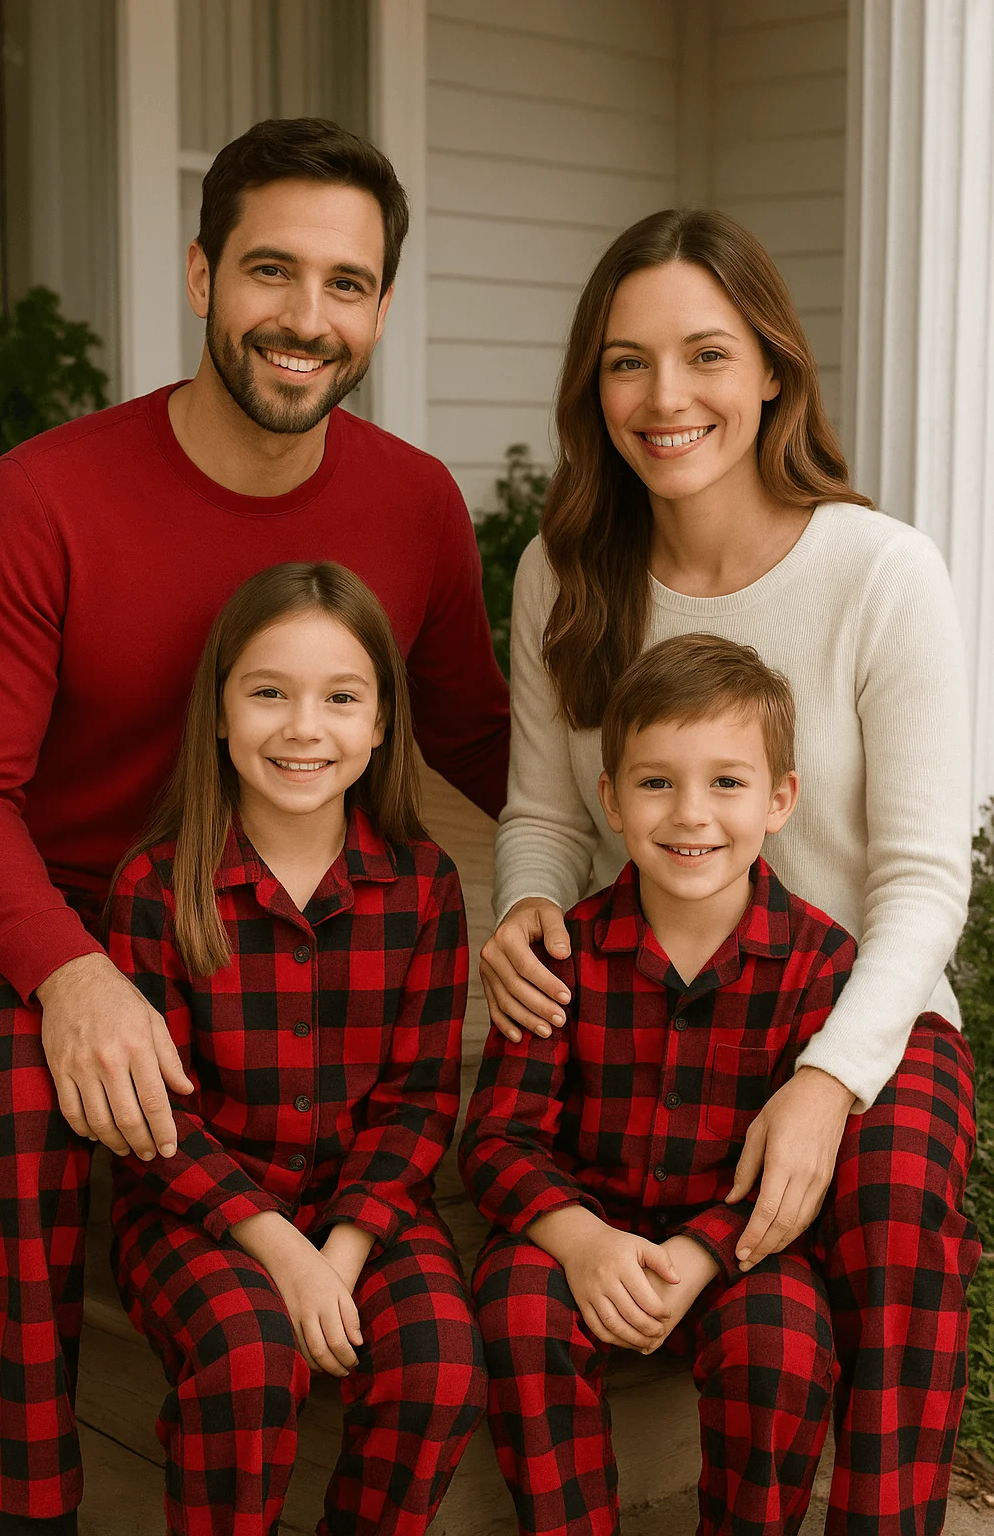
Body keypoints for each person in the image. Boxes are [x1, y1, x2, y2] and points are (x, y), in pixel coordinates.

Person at [0, 118, 506, 1534]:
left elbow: (478, 735)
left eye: (347, 284)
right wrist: (71, 974)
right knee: (12, 1120)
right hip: (79, 916)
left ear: (381, 309)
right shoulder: (44, 497)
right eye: (273, 271)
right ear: (204, 275)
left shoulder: (414, 504)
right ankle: (26, 1502)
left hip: (285, 933)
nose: (306, 318)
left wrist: (648, 874)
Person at [478, 208, 979, 1532]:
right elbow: (541, 812)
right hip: (652, 996)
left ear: (771, 369)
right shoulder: (567, 574)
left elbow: (926, 885)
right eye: (626, 362)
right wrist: (528, 905)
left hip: (861, 1009)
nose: (665, 397)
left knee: (886, 1211)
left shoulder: (884, 572)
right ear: (596, 385)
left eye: (705, 354)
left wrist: (827, 1082)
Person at [105, 560, 485, 1536]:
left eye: (340, 697)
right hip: (200, 1214)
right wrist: (283, 1252)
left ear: (381, 724)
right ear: (221, 715)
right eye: (268, 692)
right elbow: (158, 1125)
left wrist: (344, 1249)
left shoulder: (425, 886)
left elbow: (419, 1102)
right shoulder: (158, 887)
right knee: (247, 1358)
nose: (303, 726)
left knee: (439, 1361)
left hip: (370, 1207)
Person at [463, 634, 861, 1535]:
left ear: (780, 800)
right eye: (655, 783)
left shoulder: (819, 963)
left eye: (727, 782)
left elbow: (805, 1170)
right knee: (517, 1305)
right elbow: (495, 1140)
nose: (691, 815)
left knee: (786, 1346)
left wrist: (704, 1252)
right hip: (582, 1227)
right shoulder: (561, 952)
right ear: (608, 799)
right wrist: (582, 1242)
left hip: (739, 1248)